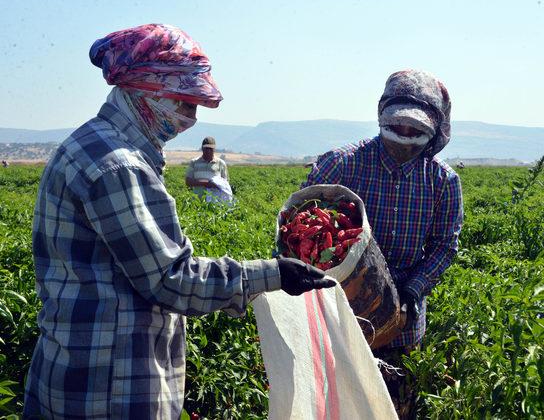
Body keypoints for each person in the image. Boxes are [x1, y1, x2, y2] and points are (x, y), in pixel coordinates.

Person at [23, 24, 335, 419]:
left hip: (87, 370)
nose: (191, 116)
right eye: (184, 102)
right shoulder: (117, 164)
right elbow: (171, 280)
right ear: (144, 91)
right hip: (106, 389)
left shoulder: (97, 144)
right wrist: (274, 274)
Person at [302, 69, 463, 419]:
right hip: (339, 315)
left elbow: (444, 247)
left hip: (402, 325)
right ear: (381, 117)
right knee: (337, 406)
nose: (404, 138)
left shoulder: (442, 182)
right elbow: (300, 231)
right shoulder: (341, 164)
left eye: (415, 130)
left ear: (433, 131)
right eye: (397, 127)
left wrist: (410, 292)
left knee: (393, 408)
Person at [185, 136, 233, 203]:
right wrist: (206, 183)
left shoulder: (221, 163)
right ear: (202, 148)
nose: (208, 151)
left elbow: (225, 184)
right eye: (206, 148)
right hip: (197, 201)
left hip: (215, 202)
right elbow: (188, 182)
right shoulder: (194, 162)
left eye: (211, 149)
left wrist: (216, 185)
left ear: (214, 149)